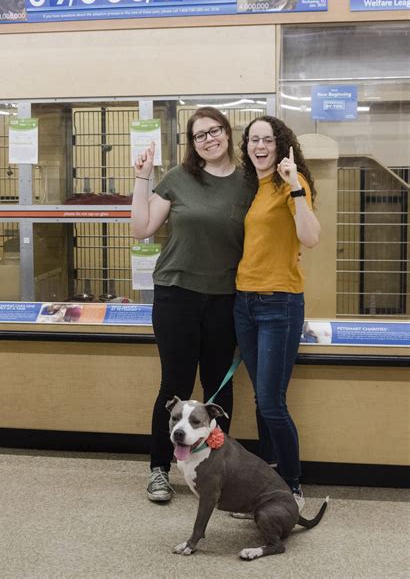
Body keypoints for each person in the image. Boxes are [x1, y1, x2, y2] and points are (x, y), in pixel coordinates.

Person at [131, 107, 252, 503]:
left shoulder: (248, 182)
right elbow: (142, 228)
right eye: (200, 135)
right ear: (193, 143)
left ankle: (218, 471)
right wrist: (142, 178)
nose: (209, 139)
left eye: (214, 131)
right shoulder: (178, 178)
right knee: (175, 386)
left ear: (227, 133)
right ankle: (159, 470)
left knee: (218, 389)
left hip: (225, 298)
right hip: (176, 294)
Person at [233, 115, 320, 511]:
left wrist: (295, 187)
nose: (259, 146)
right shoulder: (254, 188)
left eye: (267, 139)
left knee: (271, 402)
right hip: (245, 302)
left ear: (281, 144)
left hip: (279, 303)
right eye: (253, 140)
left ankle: (292, 486)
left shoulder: (291, 181)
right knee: (260, 401)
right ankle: (269, 484)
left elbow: (310, 237)